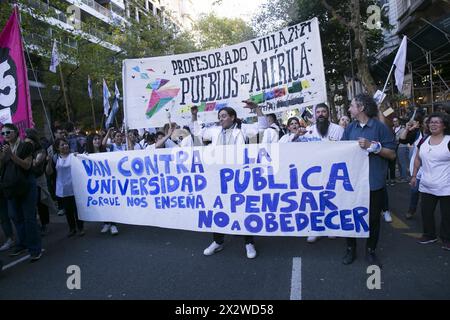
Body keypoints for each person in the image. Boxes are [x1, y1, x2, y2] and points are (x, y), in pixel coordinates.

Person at [191, 101, 268, 259]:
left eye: (224, 116)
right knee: (218, 208)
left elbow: (263, 128)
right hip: (219, 178)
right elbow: (197, 131)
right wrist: (194, 115)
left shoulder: (243, 131)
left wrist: (257, 109)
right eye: (219, 117)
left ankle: (249, 243)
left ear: (233, 118)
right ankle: (218, 242)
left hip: (239, 177)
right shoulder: (214, 131)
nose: (221, 119)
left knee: (243, 208)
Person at [341, 94, 396, 267]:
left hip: (373, 183)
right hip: (353, 184)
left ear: (361, 108)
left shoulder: (380, 128)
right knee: (350, 217)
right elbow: (342, 150)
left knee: (373, 219)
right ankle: (351, 249)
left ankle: (371, 251)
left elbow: (392, 154)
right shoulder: (350, 128)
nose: (349, 109)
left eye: (351, 106)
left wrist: (373, 146)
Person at [0, 124, 42, 261]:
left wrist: (11, 155)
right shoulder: (4, 148)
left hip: (26, 184)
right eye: (3, 133)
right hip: (11, 186)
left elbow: (27, 165)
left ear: (16, 132)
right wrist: (3, 156)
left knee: (29, 217)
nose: (5, 135)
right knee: (15, 216)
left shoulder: (25, 146)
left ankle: (35, 248)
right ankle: (22, 243)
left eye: (8, 132)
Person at [410, 112, 450, 250]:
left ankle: (447, 239)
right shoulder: (424, 140)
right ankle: (429, 235)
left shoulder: (448, 141)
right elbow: (417, 158)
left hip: (446, 186)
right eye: (431, 122)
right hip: (426, 185)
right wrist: (414, 176)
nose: (433, 124)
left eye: (437, 122)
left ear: (444, 125)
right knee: (426, 212)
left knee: (447, 215)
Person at [46, 138, 84, 237]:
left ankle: (80, 228)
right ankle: (72, 228)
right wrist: (49, 161)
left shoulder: (74, 155)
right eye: (62, 145)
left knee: (77, 209)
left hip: (75, 186)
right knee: (68, 210)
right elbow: (49, 172)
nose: (65, 146)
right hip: (63, 188)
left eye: (66, 144)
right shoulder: (55, 158)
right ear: (57, 148)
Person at [25, 128, 57, 236]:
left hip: (39, 179)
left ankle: (45, 224)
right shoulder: (25, 150)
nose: (26, 141)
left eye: (28, 139)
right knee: (32, 204)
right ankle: (36, 225)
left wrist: (29, 160)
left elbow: (35, 163)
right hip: (28, 179)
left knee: (41, 202)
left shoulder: (40, 150)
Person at [85, 134, 119, 235]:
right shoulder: (87, 154)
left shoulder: (106, 152)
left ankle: (113, 225)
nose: (97, 141)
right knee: (102, 203)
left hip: (107, 182)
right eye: (95, 139)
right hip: (96, 184)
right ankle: (106, 223)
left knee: (110, 203)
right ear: (91, 141)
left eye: (98, 139)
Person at [399, 115, 429, 219]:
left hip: (431, 170)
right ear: (422, 124)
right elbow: (402, 140)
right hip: (417, 169)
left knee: (428, 194)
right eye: (426, 122)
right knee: (414, 190)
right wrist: (407, 129)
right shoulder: (417, 134)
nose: (429, 124)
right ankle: (412, 209)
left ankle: (427, 212)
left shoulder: (439, 136)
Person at [393, 117, 409, 182]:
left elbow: (401, 138)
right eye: (394, 121)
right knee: (398, 162)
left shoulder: (402, 128)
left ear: (399, 121)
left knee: (402, 162)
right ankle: (401, 176)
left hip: (402, 146)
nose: (395, 122)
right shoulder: (393, 128)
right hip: (396, 147)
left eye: (396, 121)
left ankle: (404, 177)